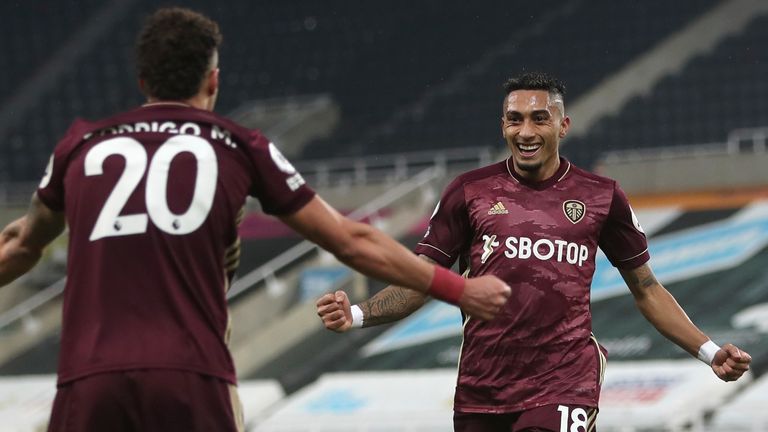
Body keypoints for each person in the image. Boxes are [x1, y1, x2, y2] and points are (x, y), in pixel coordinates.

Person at [0, 7, 512, 432]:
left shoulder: (80, 144)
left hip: (89, 381)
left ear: (142, 80)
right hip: (191, 378)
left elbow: (21, 247)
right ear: (214, 79)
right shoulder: (241, 147)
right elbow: (352, 240)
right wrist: (460, 290)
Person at [316, 72, 753, 432]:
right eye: (514, 119)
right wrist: (355, 315)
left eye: (539, 119)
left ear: (563, 125)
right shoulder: (469, 193)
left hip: (565, 381)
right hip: (481, 389)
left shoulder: (602, 197)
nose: (525, 132)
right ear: (502, 124)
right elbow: (421, 278)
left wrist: (710, 351)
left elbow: (647, 288)